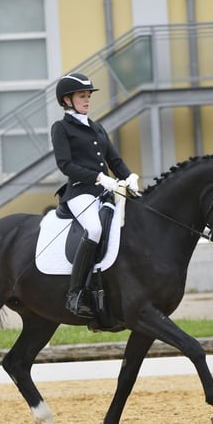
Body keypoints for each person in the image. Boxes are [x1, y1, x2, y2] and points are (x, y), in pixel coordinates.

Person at [51, 72, 139, 318]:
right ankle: (75, 293)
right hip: (80, 191)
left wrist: (129, 177)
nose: (87, 100)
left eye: (88, 96)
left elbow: (115, 160)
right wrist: (99, 178)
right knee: (95, 229)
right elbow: (65, 165)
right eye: (82, 96)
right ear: (67, 100)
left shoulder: (97, 127)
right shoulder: (61, 128)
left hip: (106, 192)